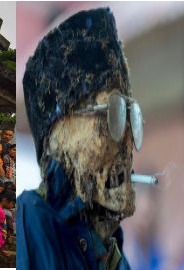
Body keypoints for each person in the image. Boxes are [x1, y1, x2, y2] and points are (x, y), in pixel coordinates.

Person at [19, 8, 133, 269]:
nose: (126, 143)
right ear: (64, 137)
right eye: (111, 117)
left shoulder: (110, 243)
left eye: (131, 118)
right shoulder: (32, 220)